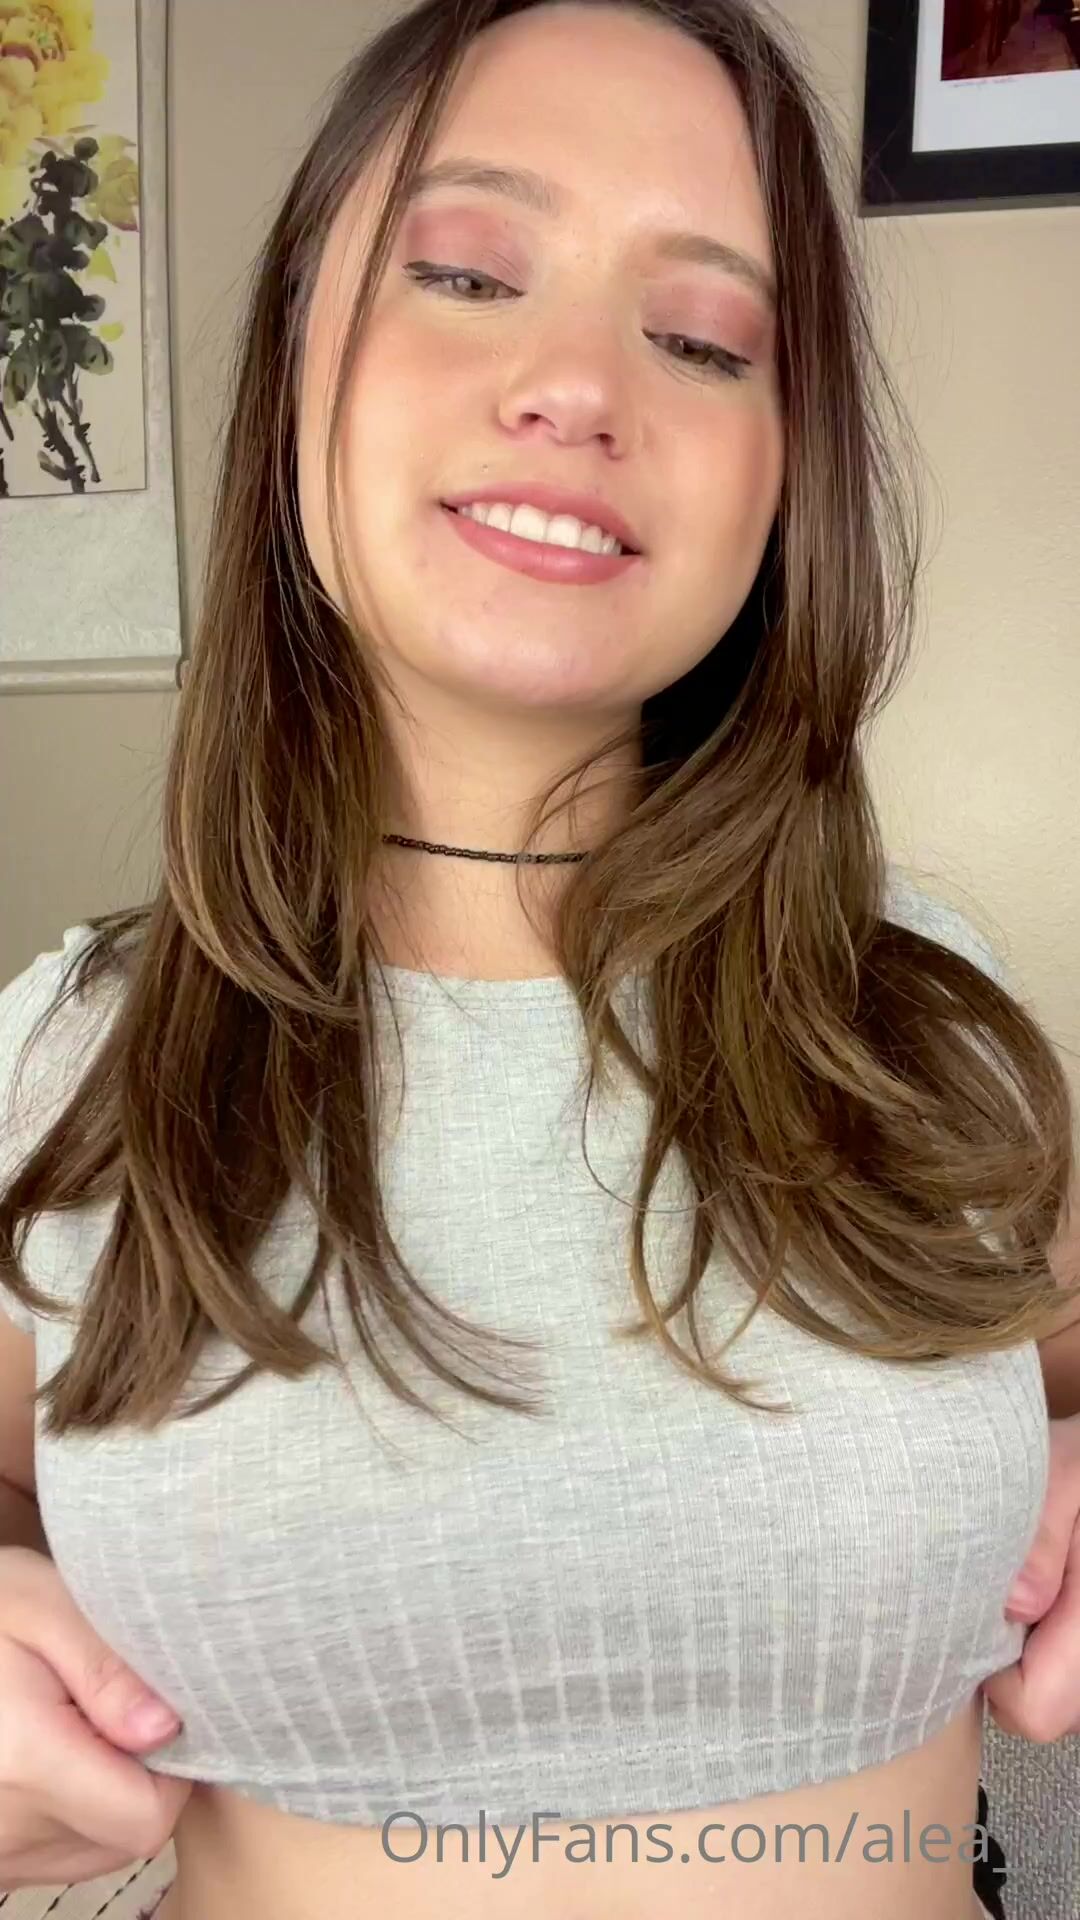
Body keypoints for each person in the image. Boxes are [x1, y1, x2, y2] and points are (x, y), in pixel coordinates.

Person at [0, 3, 1076, 1918]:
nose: (580, 385)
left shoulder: (923, 1016)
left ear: (785, 474)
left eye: (704, 339)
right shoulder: (71, 1059)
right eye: (469, 273)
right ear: (298, 357)